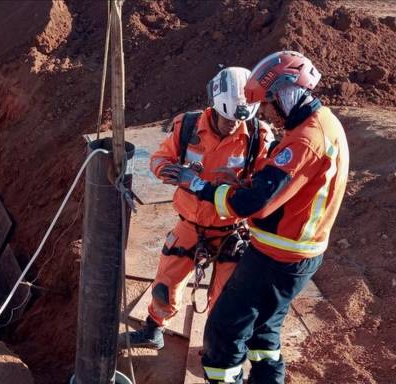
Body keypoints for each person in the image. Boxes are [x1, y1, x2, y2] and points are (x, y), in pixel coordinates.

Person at [164, 51, 349, 383]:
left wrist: (200, 185)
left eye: (270, 102)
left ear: (286, 92)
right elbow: (285, 185)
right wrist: (246, 182)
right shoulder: (323, 123)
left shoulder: (305, 140)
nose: (268, 112)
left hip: (276, 258)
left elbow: (253, 204)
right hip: (294, 254)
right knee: (264, 334)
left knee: (223, 333)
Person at [121, 67, 273, 350]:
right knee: (166, 284)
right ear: (215, 106)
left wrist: (239, 185)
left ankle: (217, 348)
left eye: (237, 119)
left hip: (232, 229)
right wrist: (170, 171)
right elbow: (158, 159)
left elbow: (267, 185)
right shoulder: (187, 126)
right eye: (226, 118)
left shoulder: (258, 135)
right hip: (191, 224)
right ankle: (154, 328)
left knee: (226, 297)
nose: (232, 125)